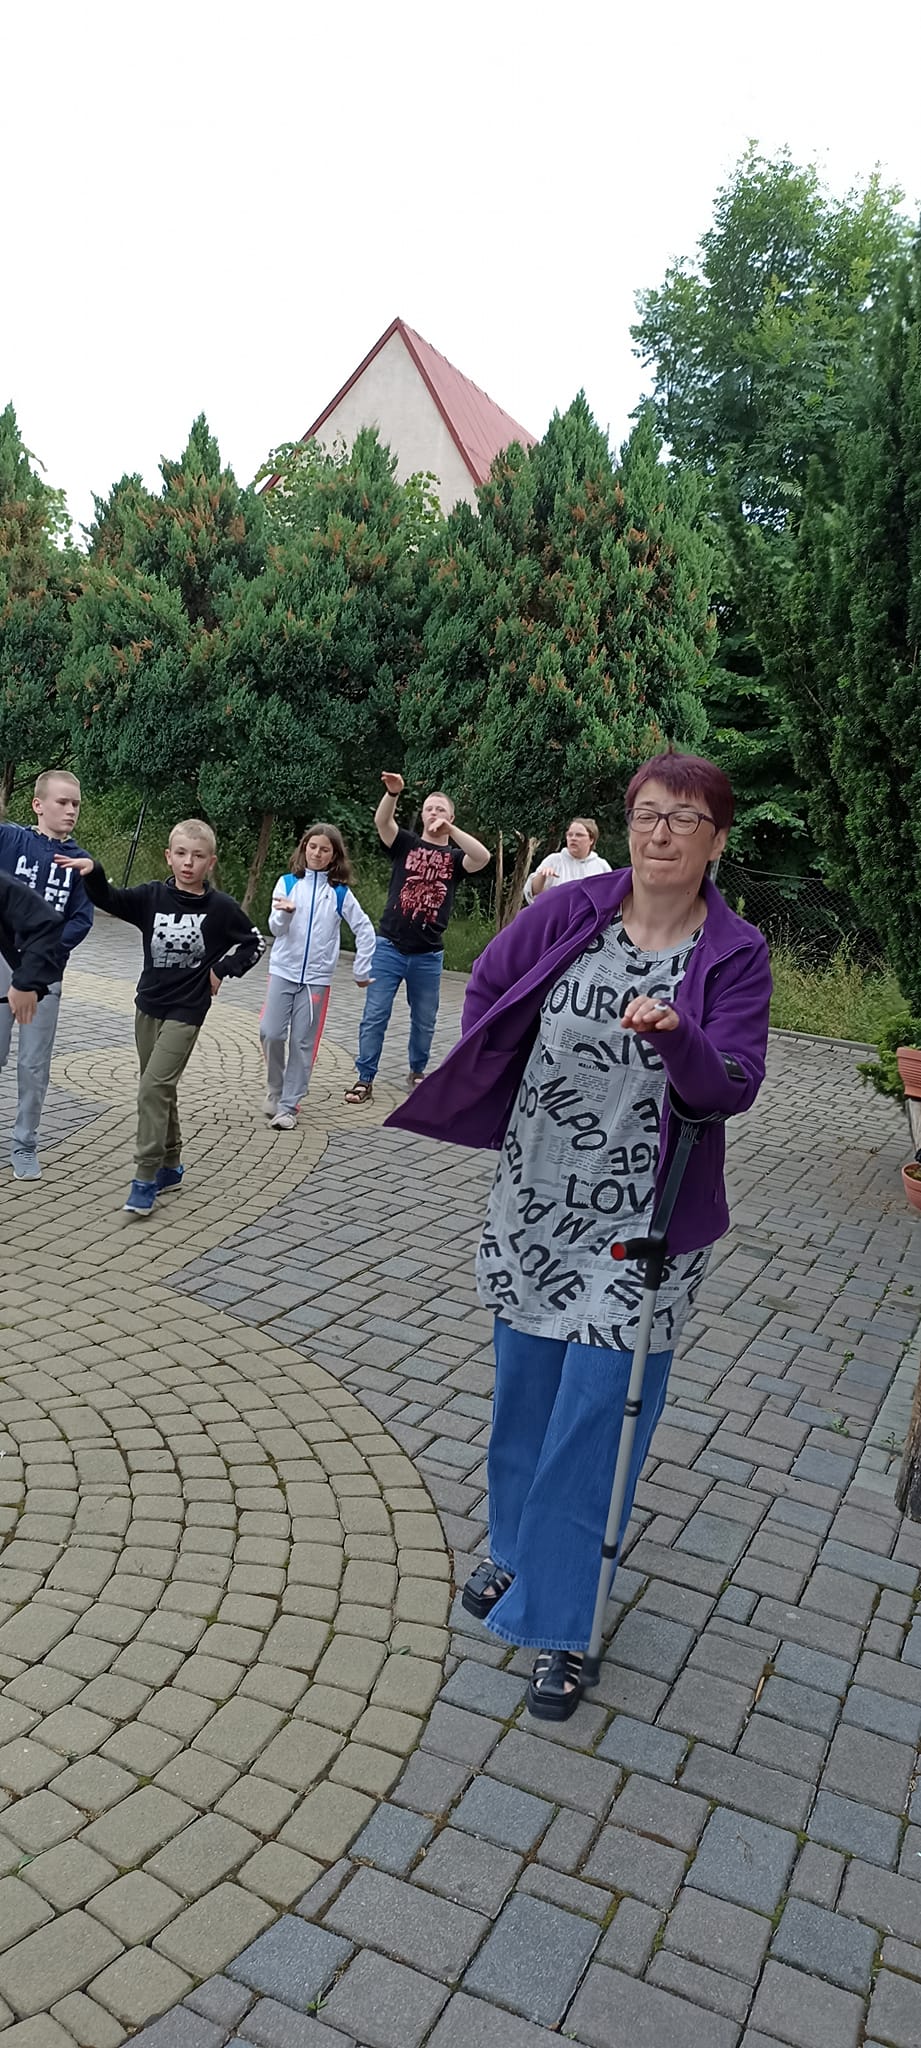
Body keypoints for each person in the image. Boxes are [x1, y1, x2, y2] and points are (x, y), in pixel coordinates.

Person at [387, 752, 771, 1720]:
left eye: (685, 818)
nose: (660, 832)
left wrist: (677, 1036)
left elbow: (731, 1083)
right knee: (525, 1394)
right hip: (536, 1198)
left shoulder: (735, 952)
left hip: (647, 1226)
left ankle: (563, 1621)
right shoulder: (572, 909)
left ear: (717, 841)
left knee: (598, 1416)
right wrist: (497, 1076)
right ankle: (514, 1549)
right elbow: (491, 985)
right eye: (647, 813)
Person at [56, 819, 264, 1216]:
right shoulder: (152, 896)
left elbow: (254, 943)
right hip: (148, 1005)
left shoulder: (220, 908)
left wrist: (222, 971)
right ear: (169, 856)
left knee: (152, 1088)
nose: (188, 863)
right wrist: (94, 871)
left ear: (210, 862)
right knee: (158, 1088)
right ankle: (171, 1163)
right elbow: (111, 899)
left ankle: (145, 1176)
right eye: (181, 854)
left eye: (198, 856)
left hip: (188, 1009)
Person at [344, 772, 490, 1106]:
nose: (434, 813)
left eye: (441, 809)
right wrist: (392, 794)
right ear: (422, 815)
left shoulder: (455, 859)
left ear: (451, 817)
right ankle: (365, 1078)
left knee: (424, 1021)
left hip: (428, 955)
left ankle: (417, 1071)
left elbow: (482, 858)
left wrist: (451, 832)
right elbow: (382, 822)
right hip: (389, 947)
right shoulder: (406, 844)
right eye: (429, 809)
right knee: (375, 1015)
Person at [0, 770, 94, 1179]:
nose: (70, 810)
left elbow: (81, 920)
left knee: (34, 1063)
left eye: (76, 804)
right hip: (2, 964)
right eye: (62, 802)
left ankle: (25, 1143)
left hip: (45, 974)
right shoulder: (10, 840)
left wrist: (41, 957)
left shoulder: (81, 863)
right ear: (38, 805)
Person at [262, 823, 375, 1129]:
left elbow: (364, 929)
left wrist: (361, 968)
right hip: (283, 970)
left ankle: (289, 1106)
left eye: (325, 849)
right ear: (304, 848)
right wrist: (285, 913)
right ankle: (275, 1090)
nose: (317, 853)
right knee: (271, 1033)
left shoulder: (339, 893)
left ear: (333, 856)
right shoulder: (287, 883)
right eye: (312, 847)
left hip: (316, 979)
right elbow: (275, 929)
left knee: (302, 1042)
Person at [522, 817, 611, 903]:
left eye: (579, 835)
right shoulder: (553, 860)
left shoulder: (601, 866)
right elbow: (534, 894)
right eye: (570, 835)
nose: (573, 838)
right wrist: (542, 876)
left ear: (591, 839)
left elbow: (610, 898)